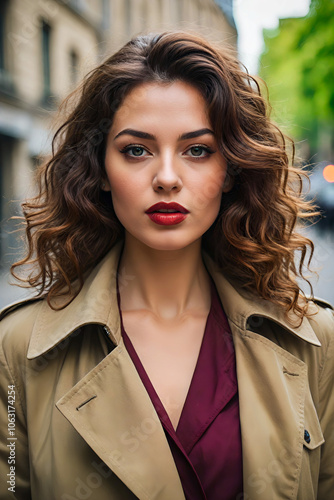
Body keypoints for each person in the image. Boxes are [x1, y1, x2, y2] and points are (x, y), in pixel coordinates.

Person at [0, 31, 333, 500]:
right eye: (136, 150)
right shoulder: (17, 350)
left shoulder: (315, 340)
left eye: (198, 150)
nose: (168, 178)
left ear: (232, 170)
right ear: (99, 168)